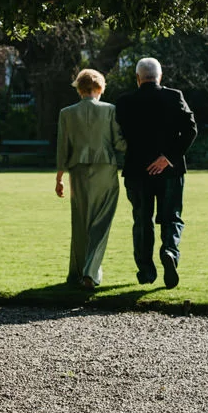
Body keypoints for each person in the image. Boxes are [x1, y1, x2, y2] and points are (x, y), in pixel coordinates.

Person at [112, 57, 197, 289]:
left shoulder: (124, 102)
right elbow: (191, 129)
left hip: (137, 170)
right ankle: (169, 251)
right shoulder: (174, 96)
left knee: (142, 220)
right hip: (170, 170)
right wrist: (167, 157)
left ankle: (146, 271)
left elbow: (122, 132)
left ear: (138, 78)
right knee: (171, 217)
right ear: (160, 76)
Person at [54, 69, 124, 290]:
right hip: (105, 168)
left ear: (79, 89)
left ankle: (76, 272)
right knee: (101, 222)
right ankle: (90, 273)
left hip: (78, 171)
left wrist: (59, 178)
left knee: (80, 222)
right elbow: (120, 143)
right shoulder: (110, 110)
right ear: (100, 88)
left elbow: (62, 147)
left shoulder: (67, 113)